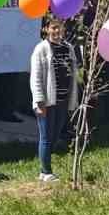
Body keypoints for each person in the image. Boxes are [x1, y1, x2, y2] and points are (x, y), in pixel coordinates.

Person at [29, 16, 80, 183]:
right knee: (46, 136)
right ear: (46, 30)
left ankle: (46, 165)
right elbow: (36, 78)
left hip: (62, 100)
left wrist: (73, 99)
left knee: (56, 134)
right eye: (53, 28)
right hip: (47, 101)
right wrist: (39, 101)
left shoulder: (69, 48)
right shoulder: (41, 49)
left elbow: (73, 73)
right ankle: (45, 171)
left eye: (60, 28)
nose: (57, 31)